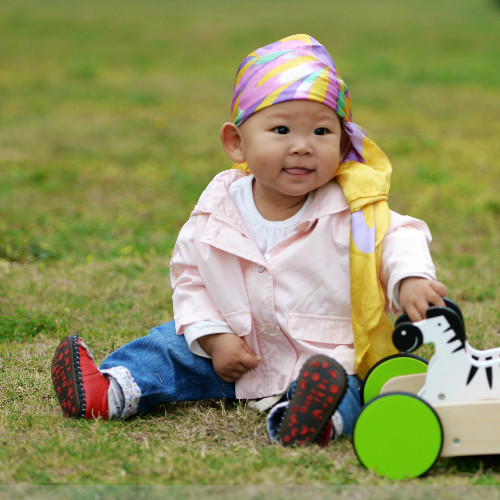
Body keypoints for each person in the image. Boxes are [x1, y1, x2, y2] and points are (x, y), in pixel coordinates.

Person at [51, 34, 446, 446]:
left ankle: (311, 418)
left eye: (322, 131)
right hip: (236, 351)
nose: (302, 146)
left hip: (323, 353)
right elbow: (191, 277)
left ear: (344, 143)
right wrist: (213, 336)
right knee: (169, 345)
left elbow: (397, 235)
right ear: (236, 142)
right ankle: (110, 391)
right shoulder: (218, 208)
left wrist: (410, 278)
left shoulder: (351, 208)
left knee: (353, 384)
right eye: (280, 129)